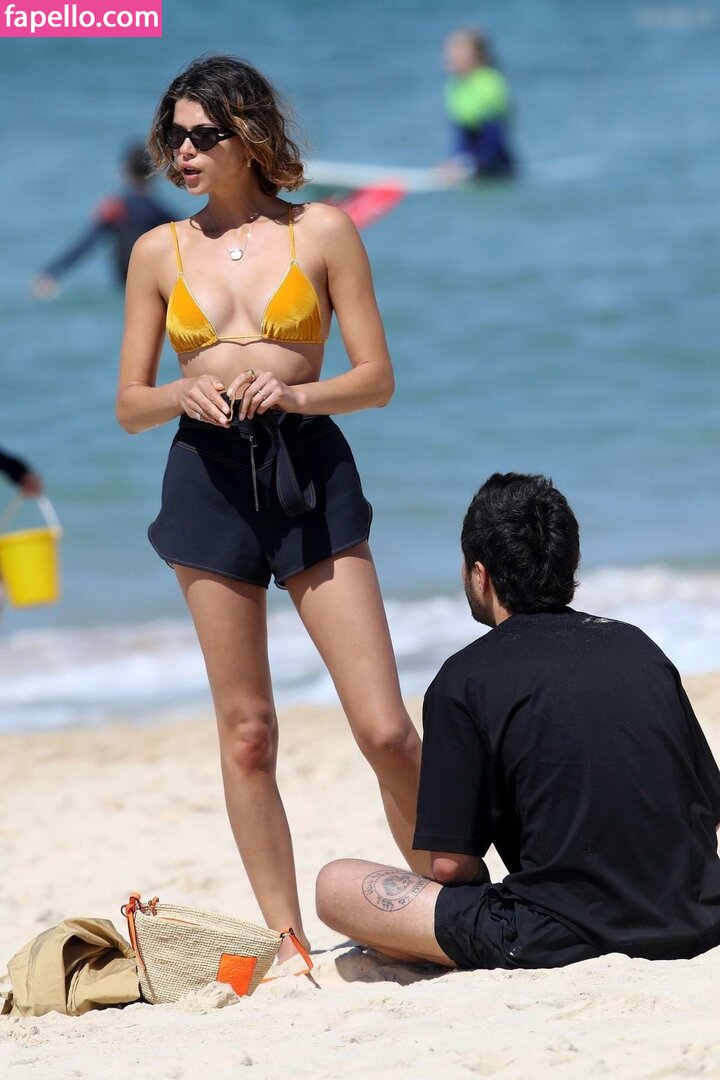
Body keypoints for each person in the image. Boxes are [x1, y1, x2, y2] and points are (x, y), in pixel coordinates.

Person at [115, 54, 428, 965]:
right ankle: (289, 942)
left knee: (386, 728)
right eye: (172, 136)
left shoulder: (321, 230)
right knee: (248, 732)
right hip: (205, 482)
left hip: (308, 471)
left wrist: (295, 395)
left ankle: (447, 901)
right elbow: (129, 404)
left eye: (201, 135)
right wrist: (179, 393)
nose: (182, 151)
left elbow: (376, 379)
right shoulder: (156, 252)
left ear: (248, 136)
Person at [317, 473, 720, 970]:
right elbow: (707, 810)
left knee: (336, 885)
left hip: (565, 933)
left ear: (480, 575)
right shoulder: (639, 646)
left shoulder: (462, 679)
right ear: (568, 563)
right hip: (699, 916)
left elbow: (451, 866)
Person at [33, 143, 173, 297]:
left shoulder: (116, 209)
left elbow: (86, 244)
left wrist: (52, 273)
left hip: (128, 283)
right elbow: (187, 236)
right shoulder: (160, 212)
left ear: (124, 171)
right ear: (155, 174)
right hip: (156, 282)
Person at [442, 29, 516, 180]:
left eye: (459, 50)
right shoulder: (453, 86)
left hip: (496, 164)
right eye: (450, 50)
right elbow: (461, 135)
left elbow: (494, 134)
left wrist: (475, 164)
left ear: (477, 55)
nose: (452, 55)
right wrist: (454, 161)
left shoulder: (490, 83)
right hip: (470, 166)